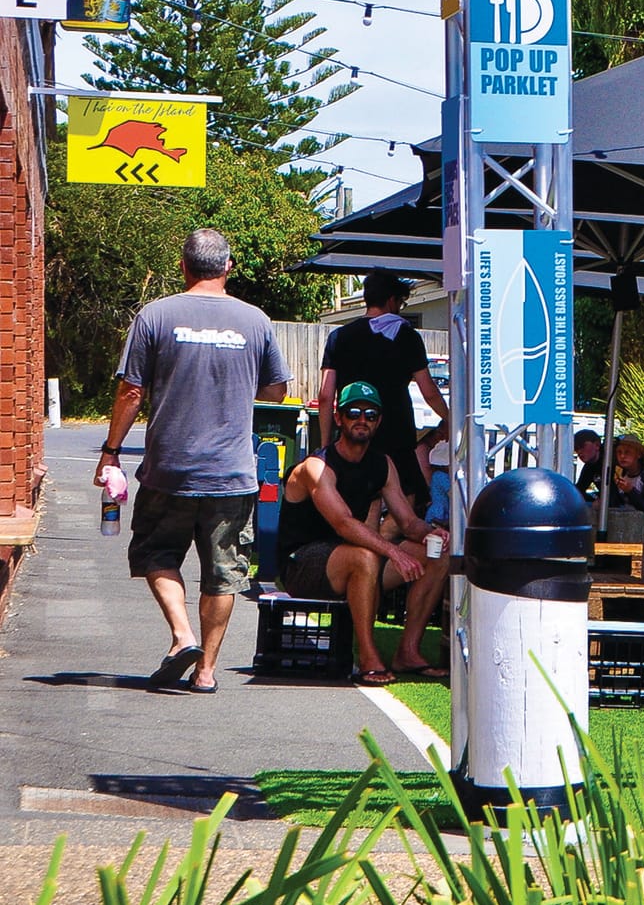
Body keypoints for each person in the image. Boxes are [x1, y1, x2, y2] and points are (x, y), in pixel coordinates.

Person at [97, 229, 291, 693]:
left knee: (155, 554)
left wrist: (111, 450)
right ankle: (206, 672)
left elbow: (131, 390)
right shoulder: (256, 321)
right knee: (223, 573)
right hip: (232, 473)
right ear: (227, 268)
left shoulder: (155, 315)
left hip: (170, 468)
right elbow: (277, 390)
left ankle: (182, 636)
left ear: (184, 266)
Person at [276, 381, 450, 685]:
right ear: (339, 418)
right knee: (365, 556)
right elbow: (343, 523)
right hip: (302, 565)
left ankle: (408, 651)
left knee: (438, 554)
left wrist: (430, 534)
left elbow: (408, 522)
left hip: (357, 560)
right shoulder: (317, 467)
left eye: (370, 414)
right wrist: (393, 551)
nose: (362, 419)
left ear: (378, 421)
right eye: (353, 412)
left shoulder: (382, 464)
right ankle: (368, 656)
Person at [318, 271, 445, 516]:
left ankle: (370, 548)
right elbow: (428, 391)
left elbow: (325, 395)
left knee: (363, 501)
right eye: (400, 302)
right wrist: (450, 419)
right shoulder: (407, 336)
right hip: (396, 432)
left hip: (351, 432)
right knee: (407, 498)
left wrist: (325, 445)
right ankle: (385, 545)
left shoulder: (339, 337)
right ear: (391, 300)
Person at [605, 433, 644, 512]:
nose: (622, 456)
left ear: (638, 455)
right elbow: (614, 503)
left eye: (627, 452)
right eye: (619, 452)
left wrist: (630, 491)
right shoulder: (618, 473)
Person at [573, 428, 603, 498]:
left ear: (597, 445)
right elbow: (579, 491)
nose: (579, 452)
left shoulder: (611, 461)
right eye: (576, 449)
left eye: (582, 446)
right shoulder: (589, 467)